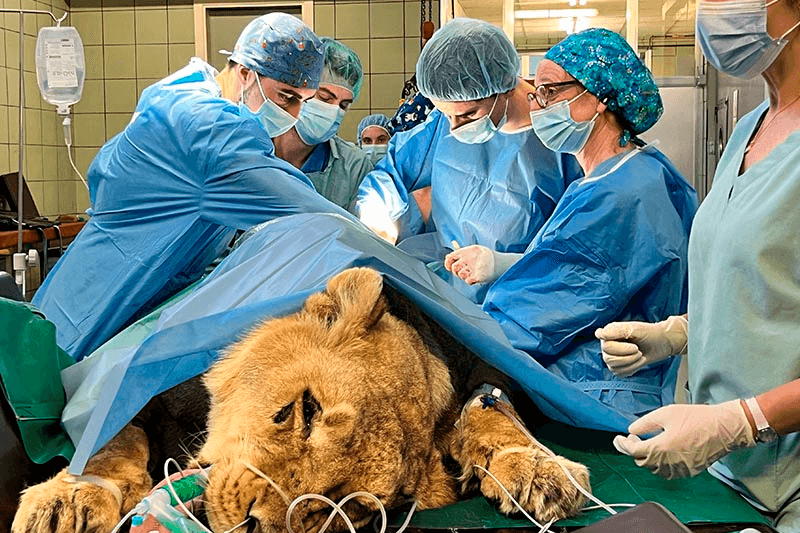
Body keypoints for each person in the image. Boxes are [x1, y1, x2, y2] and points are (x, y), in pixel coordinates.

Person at [31, 13, 350, 361]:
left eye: (303, 101)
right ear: (246, 73)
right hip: (85, 323)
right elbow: (318, 218)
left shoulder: (181, 100)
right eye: (287, 96)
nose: (294, 114)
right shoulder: (208, 130)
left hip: (84, 306)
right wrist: (384, 255)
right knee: (49, 384)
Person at [597, 0, 800, 529]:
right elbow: (767, 284)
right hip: (729, 476)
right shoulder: (753, 126)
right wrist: (678, 333)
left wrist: (741, 421)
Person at [441, 28, 698, 419]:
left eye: (549, 91)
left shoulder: (621, 192)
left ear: (597, 97)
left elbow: (543, 309)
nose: (537, 105)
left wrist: (449, 339)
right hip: (594, 393)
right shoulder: (620, 175)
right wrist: (503, 264)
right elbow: (580, 268)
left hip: (597, 401)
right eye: (536, 93)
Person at [356, 17, 582, 304]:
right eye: (446, 114)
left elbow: (577, 248)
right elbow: (392, 171)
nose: (453, 128)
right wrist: (377, 216)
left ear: (503, 87)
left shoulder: (558, 140)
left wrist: (503, 263)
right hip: (450, 290)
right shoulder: (447, 119)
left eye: (468, 115)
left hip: (523, 299)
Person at [272, 38, 373, 212]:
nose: (333, 111)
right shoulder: (252, 150)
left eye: (343, 105)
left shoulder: (353, 167)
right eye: (325, 98)